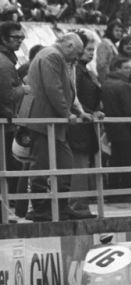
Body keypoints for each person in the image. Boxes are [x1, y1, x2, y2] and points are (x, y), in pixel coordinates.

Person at [17, 33, 93, 222]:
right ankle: (41, 209)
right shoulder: (53, 56)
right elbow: (54, 88)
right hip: (43, 120)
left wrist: (77, 111)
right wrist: (68, 113)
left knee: (64, 161)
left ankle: (60, 205)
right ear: (68, 45)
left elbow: (62, 89)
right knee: (42, 164)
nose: (76, 58)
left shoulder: (50, 55)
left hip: (49, 120)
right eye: (76, 53)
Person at [68, 31, 102, 214]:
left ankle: (80, 205)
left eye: (93, 50)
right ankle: (78, 206)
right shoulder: (77, 71)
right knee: (78, 167)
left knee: (82, 166)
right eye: (88, 49)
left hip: (84, 126)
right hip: (78, 128)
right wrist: (90, 112)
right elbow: (75, 98)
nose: (91, 53)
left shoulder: (82, 70)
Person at [0, 21, 29, 221]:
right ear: (3, 38)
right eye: (15, 37)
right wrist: (25, 90)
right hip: (5, 124)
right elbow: (7, 95)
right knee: (9, 169)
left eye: (21, 37)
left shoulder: (7, 60)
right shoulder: (4, 63)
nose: (19, 41)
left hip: (7, 122)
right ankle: (10, 211)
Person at [101, 56, 131, 202]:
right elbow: (130, 110)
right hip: (126, 131)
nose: (130, 70)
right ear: (117, 68)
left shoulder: (106, 83)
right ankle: (129, 193)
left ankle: (113, 194)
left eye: (130, 67)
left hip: (113, 130)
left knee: (115, 162)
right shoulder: (124, 86)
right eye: (126, 67)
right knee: (129, 162)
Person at [95, 19, 122, 84]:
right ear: (110, 31)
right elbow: (102, 66)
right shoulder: (104, 45)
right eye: (116, 30)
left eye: (120, 31)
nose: (119, 33)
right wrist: (106, 83)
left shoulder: (113, 45)